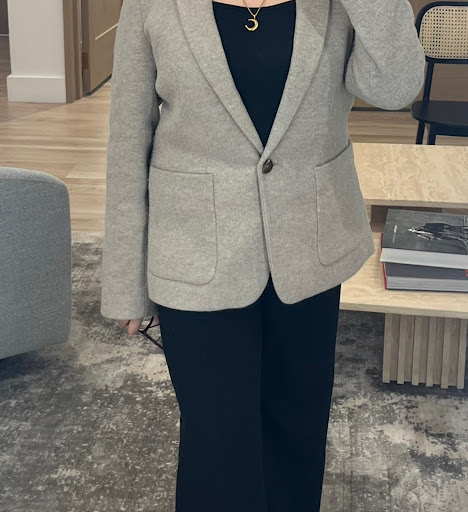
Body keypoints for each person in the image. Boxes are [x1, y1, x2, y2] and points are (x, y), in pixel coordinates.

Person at [100, 0, 426, 510]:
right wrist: (125, 281)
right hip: (195, 253)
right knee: (217, 451)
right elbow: (128, 138)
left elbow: (396, 87)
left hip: (310, 247)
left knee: (296, 435)